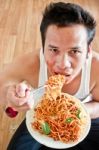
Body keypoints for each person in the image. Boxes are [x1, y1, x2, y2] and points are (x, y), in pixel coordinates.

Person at [0, 2, 99, 150]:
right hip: (42, 117)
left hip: (85, 117)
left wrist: (75, 113)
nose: (63, 64)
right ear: (43, 46)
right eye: (53, 49)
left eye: (74, 51)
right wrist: (10, 96)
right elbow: (2, 86)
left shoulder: (96, 67)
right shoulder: (30, 63)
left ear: (88, 51)